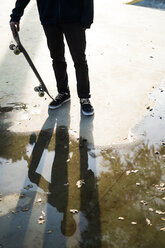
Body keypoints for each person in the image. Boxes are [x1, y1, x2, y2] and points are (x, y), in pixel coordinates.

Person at [10, 0, 94, 116]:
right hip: (49, 18)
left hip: (74, 19)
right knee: (57, 58)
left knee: (79, 59)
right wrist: (15, 16)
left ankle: (84, 97)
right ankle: (63, 92)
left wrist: (87, 19)